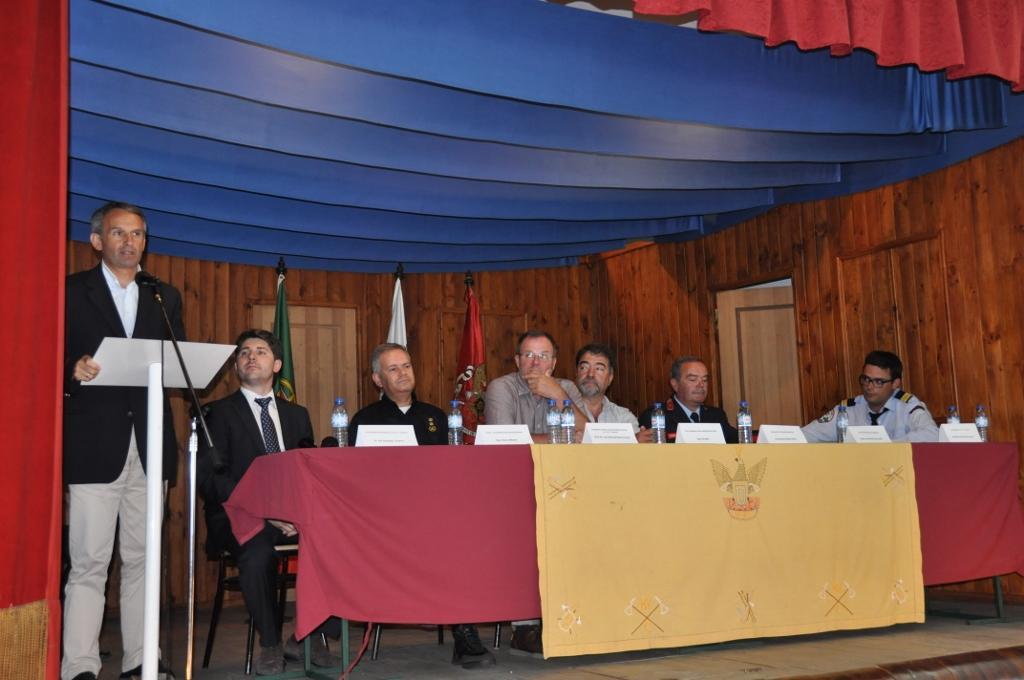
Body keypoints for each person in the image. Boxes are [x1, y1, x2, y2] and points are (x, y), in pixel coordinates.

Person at [63, 202, 183, 680]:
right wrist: (70, 368)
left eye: (137, 234)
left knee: (143, 560)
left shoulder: (163, 296)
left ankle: (141, 661)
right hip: (94, 445)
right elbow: (45, 351)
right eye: (118, 233)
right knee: (89, 561)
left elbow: (174, 361)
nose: (130, 242)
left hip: (150, 445)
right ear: (97, 241)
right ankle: (79, 666)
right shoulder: (72, 291)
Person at [197, 329, 338, 675]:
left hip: (290, 514)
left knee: (336, 541)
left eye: (260, 351)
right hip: (237, 514)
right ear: (236, 366)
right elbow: (212, 480)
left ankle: (308, 634)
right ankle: (271, 643)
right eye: (244, 352)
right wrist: (266, 509)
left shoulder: (297, 415)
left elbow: (306, 471)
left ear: (276, 365)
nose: (251, 357)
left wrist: (294, 511)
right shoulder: (216, 413)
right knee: (258, 552)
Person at [349, 343, 496, 670]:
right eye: (393, 369)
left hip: (432, 516)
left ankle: (465, 635)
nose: (403, 373)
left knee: (464, 537)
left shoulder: (436, 417)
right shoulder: (364, 420)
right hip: (384, 520)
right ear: (377, 379)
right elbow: (358, 480)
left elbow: (451, 473)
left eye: (407, 366)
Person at [802, 350, 939, 442]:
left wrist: (887, 446)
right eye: (866, 379)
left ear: (895, 383)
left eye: (878, 382)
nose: (869, 386)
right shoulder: (848, 410)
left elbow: (932, 434)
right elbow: (808, 435)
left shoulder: (908, 406)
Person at [484, 330, 585, 444]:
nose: (536, 362)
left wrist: (557, 394)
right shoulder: (501, 388)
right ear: (517, 361)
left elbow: (587, 435)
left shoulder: (567, 387)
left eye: (543, 356)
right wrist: (564, 438)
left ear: (553, 363)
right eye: (529, 355)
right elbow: (503, 441)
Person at [639, 356, 739, 443]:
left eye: (705, 380)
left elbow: (737, 439)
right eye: (693, 379)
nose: (701, 385)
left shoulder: (716, 415)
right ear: (675, 384)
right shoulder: (657, 416)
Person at [573, 343, 650, 442]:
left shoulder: (623, 417)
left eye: (599, 369)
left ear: (610, 378)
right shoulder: (563, 412)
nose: (590, 374)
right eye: (584, 367)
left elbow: (636, 447)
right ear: (576, 374)